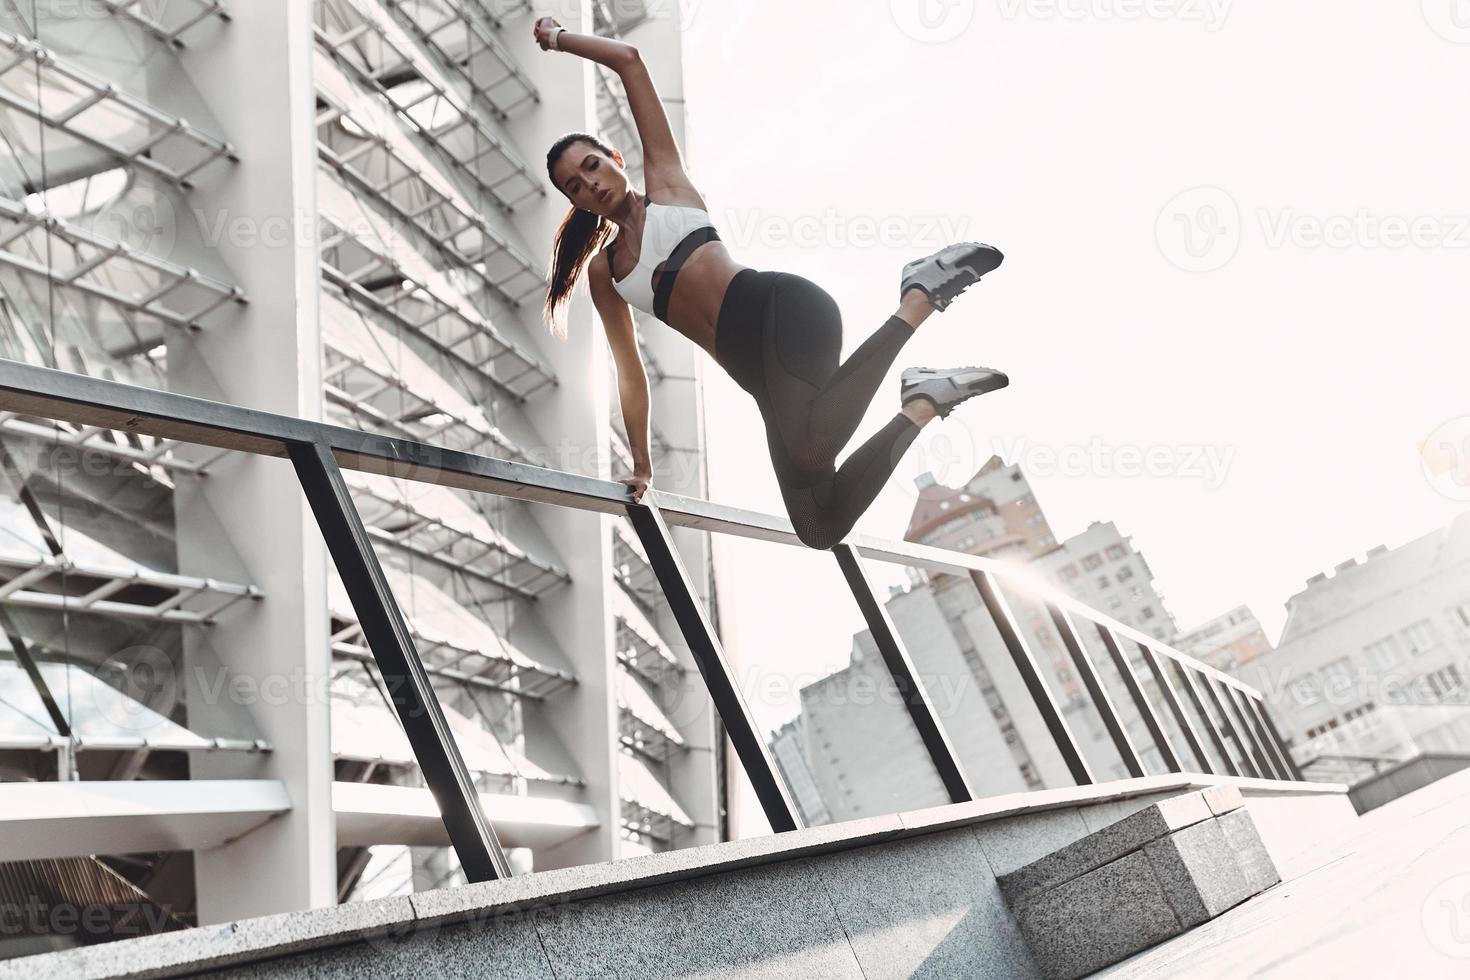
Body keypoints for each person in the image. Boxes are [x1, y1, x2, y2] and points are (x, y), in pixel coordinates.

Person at [534, 17, 1009, 550]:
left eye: (593, 166)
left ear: (616, 160)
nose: (592, 184)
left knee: (810, 451)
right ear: (573, 201)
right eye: (576, 186)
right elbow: (629, 371)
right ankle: (924, 400)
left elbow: (629, 60)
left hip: (780, 309)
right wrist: (642, 467)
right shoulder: (606, 272)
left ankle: (920, 297)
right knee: (817, 524)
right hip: (755, 373)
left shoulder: (666, 183)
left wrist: (557, 39)